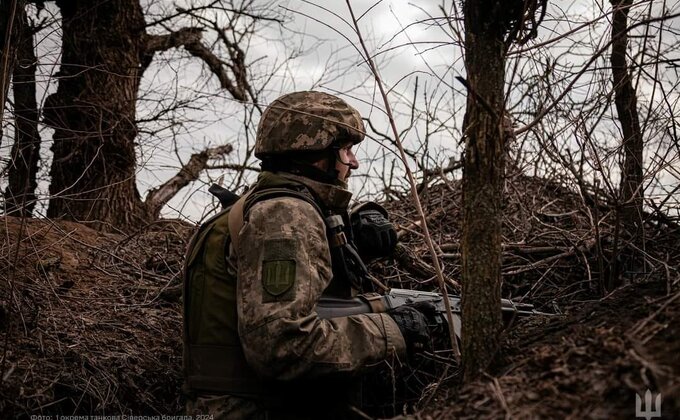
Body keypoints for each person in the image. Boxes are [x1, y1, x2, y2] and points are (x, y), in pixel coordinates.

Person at [182, 91, 433, 419]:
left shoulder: (269, 204)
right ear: (316, 154)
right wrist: (392, 330)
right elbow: (282, 346)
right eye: (346, 150)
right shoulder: (285, 216)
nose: (353, 162)